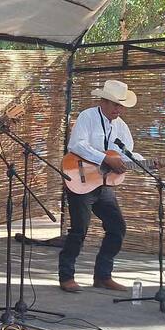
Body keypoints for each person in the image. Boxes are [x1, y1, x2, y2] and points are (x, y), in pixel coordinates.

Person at [58, 80, 141, 293]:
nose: (119, 109)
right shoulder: (88, 117)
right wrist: (105, 159)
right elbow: (76, 145)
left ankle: (103, 276)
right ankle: (66, 276)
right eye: (115, 105)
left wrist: (144, 162)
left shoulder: (121, 126)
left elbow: (126, 154)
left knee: (117, 228)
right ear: (103, 101)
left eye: (121, 106)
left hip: (103, 185)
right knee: (79, 230)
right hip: (79, 177)